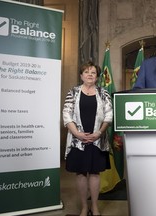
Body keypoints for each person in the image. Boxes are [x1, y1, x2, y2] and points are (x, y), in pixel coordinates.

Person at [63, 61, 113, 216]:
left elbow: (109, 115)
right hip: (78, 141)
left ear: (97, 76)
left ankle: (95, 207)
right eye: (86, 72)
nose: (90, 75)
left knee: (95, 173)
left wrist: (99, 133)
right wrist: (77, 134)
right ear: (81, 75)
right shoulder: (73, 92)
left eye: (93, 72)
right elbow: (66, 114)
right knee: (81, 173)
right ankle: (84, 207)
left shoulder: (103, 93)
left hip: (97, 140)